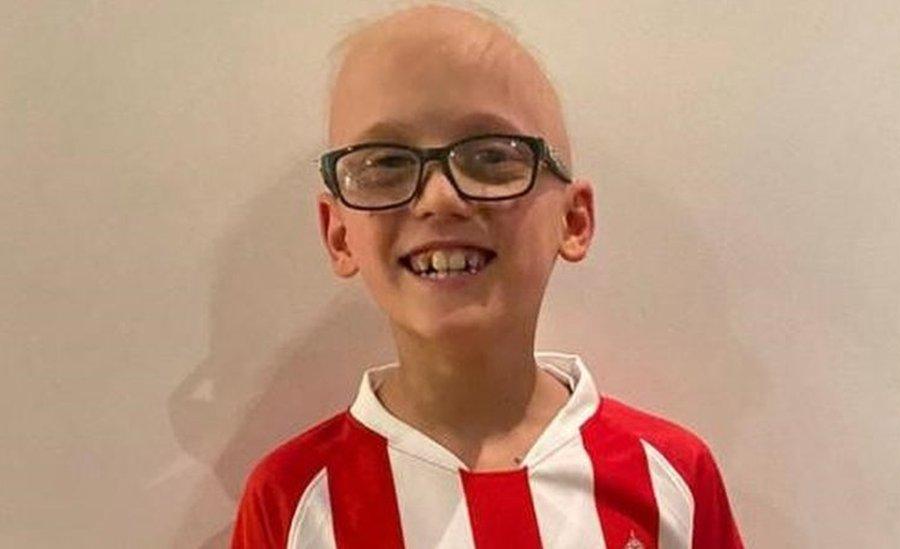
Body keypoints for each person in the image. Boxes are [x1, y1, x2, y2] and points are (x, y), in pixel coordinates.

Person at [231, 3, 744, 548]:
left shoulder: (672, 476)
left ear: (574, 219)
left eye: (493, 156)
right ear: (338, 234)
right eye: (384, 164)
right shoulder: (291, 502)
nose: (440, 197)